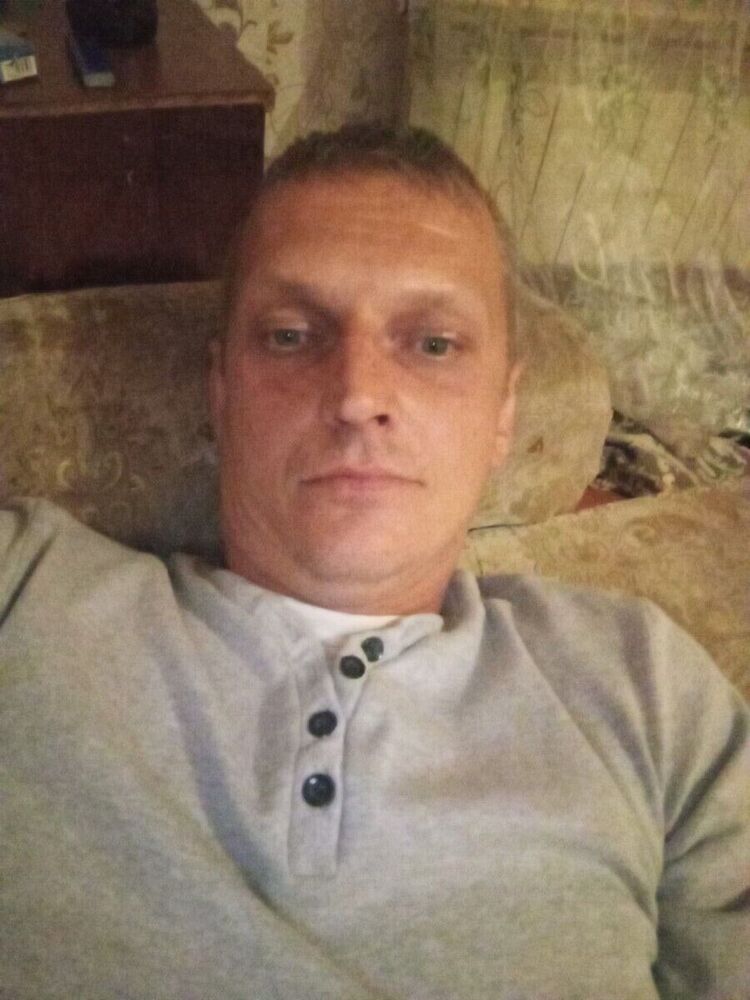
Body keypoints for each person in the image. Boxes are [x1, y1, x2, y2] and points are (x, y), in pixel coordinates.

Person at [0, 123, 747, 1000]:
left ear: (505, 413)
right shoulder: (27, 595)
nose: (357, 395)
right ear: (221, 390)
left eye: (433, 344)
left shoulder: (645, 685)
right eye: (291, 335)